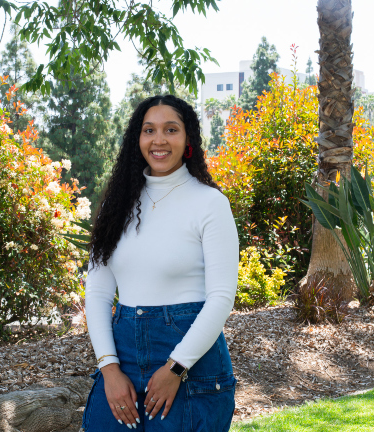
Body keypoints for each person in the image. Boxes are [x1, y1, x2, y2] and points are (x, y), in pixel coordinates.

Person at [81, 95, 239, 431]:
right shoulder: (117, 204)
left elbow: (222, 297)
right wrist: (109, 369)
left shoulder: (210, 203)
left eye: (171, 129)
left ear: (188, 139)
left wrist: (176, 368)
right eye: (148, 130)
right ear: (137, 139)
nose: (159, 140)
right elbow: (97, 292)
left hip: (191, 362)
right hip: (121, 358)